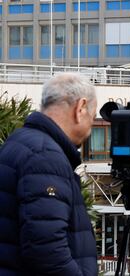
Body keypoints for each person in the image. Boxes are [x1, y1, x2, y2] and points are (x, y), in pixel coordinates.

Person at [0, 73, 98, 275]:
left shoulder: (20, 141)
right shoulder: (46, 156)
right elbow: (46, 250)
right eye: (93, 116)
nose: (91, 125)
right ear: (80, 108)